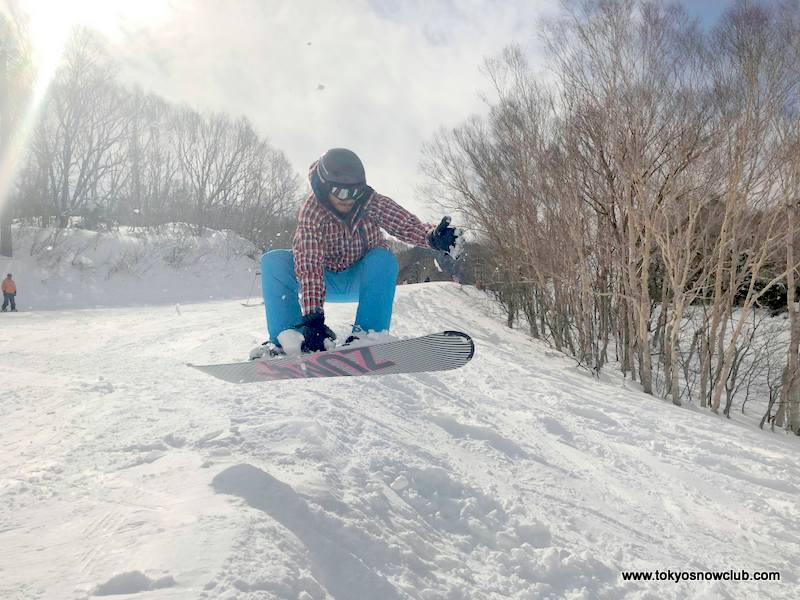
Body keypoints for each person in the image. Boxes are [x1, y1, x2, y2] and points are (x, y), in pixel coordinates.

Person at [251, 148, 462, 359]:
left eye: (354, 192)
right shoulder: (312, 211)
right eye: (341, 192)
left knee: (383, 258)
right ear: (324, 187)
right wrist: (313, 319)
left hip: (362, 279)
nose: (348, 199)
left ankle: (368, 336)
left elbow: (405, 224)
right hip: (324, 279)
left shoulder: (372, 202)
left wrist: (432, 236)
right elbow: (310, 265)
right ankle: (286, 340)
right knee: (274, 261)